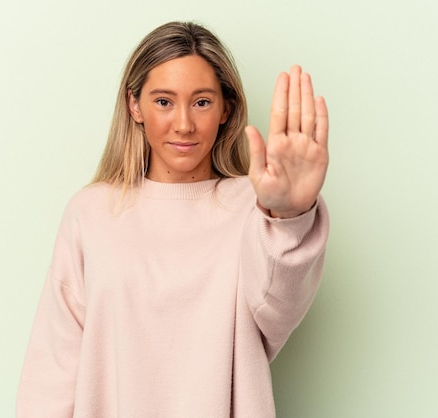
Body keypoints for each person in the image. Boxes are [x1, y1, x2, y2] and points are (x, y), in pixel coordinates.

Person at [17, 21, 329, 417]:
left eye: (202, 102)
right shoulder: (90, 213)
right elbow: (52, 372)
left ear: (225, 109)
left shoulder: (254, 207)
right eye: (164, 101)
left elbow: (278, 312)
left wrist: (288, 217)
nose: (184, 123)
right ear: (135, 106)